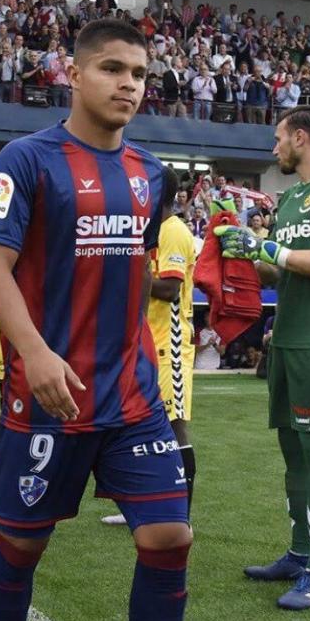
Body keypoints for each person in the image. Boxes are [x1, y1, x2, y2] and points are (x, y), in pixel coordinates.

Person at [0, 19, 205, 621]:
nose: (129, 83)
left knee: (170, 537)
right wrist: (33, 352)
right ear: (73, 75)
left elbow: (135, 268)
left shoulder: (149, 171)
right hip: (46, 397)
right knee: (22, 546)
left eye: (139, 72)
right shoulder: (27, 160)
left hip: (131, 396)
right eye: (112, 68)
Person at [216, 105, 310, 611]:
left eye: (278, 138)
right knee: (291, 451)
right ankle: (299, 553)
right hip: (287, 337)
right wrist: (246, 251)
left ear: (301, 137)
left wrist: (268, 248)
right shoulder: (292, 196)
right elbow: (280, 272)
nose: (273, 147)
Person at [101, 165, 196, 526]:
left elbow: (170, 289)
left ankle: (181, 515)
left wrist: (128, 273)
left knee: (174, 426)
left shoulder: (173, 231)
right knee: (142, 424)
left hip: (168, 344)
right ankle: (144, 505)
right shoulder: (154, 230)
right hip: (146, 341)